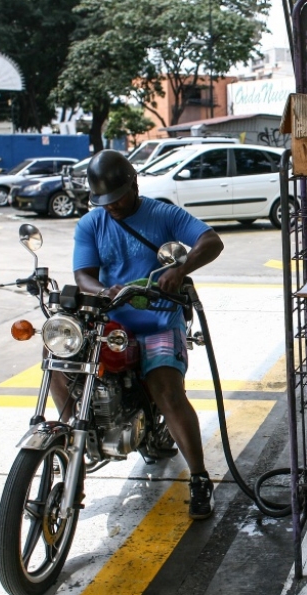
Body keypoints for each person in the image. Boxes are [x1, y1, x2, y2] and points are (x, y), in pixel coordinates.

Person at [52, 149, 224, 520]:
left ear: (134, 184)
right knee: (59, 366)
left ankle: (198, 477)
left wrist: (181, 269)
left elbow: (212, 241)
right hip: (111, 322)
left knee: (166, 390)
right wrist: (103, 292)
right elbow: (84, 274)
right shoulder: (91, 224)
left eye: (117, 198)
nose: (111, 207)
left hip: (160, 320)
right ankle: (72, 439)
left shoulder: (162, 213)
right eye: (104, 201)